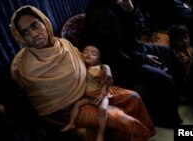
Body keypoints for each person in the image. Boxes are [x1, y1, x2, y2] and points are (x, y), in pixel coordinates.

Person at [10, 5, 156, 141]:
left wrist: (106, 68)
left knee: (134, 97)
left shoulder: (63, 45)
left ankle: (147, 133)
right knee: (124, 121)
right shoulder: (24, 66)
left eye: (35, 25)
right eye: (25, 32)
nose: (33, 34)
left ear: (44, 22)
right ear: (21, 38)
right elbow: (40, 105)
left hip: (91, 87)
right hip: (70, 109)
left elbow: (86, 63)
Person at [81, 0, 182, 128]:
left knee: (167, 52)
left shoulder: (116, 4)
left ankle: (179, 95)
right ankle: (168, 119)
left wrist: (131, 9)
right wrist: (144, 58)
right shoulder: (98, 14)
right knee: (164, 79)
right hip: (120, 63)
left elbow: (137, 30)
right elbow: (113, 52)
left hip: (132, 50)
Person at [61, 45, 113, 141]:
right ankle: (71, 123)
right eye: (85, 52)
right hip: (89, 96)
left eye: (93, 54)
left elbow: (105, 83)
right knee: (77, 105)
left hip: (100, 95)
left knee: (102, 108)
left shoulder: (98, 69)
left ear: (97, 60)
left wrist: (102, 94)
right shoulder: (80, 67)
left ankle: (100, 134)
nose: (89, 54)